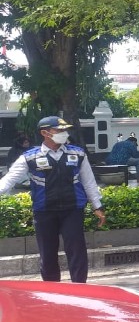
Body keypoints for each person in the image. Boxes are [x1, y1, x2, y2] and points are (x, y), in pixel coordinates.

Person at [0, 116, 106, 283]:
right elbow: (9, 180)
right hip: (44, 211)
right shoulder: (30, 157)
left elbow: (89, 181)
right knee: (47, 255)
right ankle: (52, 291)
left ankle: (79, 289)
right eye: (59, 130)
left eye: (65, 130)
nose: (64, 133)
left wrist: (97, 206)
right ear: (45, 133)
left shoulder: (77, 153)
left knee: (77, 252)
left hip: (72, 210)